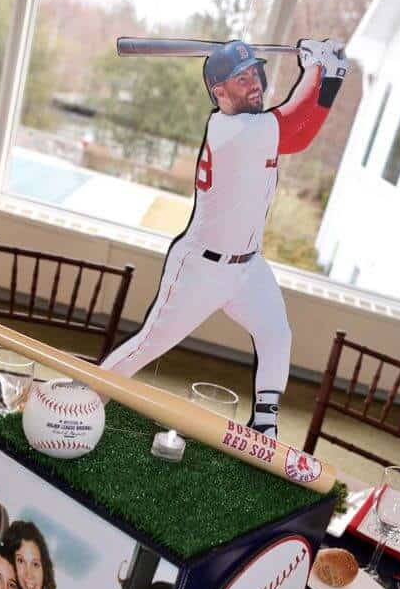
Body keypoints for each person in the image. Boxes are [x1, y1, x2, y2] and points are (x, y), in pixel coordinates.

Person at [101, 37, 348, 438]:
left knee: (276, 333)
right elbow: (297, 131)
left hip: (247, 267)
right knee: (147, 346)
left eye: (254, 72)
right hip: (202, 266)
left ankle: (265, 423)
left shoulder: (252, 125)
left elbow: (292, 123)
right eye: (240, 78)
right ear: (219, 93)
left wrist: (324, 74)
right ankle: (86, 398)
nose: (253, 82)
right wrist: (321, 73)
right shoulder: (234, 130)